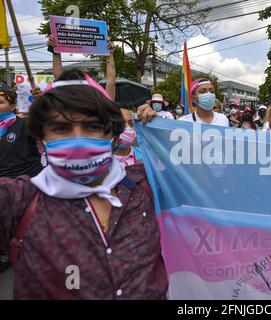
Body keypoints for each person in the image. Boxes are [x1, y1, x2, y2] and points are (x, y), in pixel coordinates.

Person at [0, 69, 167, 299]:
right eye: (61, 128)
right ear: (41, 138)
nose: (77, 139)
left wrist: (161, 133)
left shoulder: (145, 184)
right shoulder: (18, 199)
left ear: (112, 134)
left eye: (92, 127)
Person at [48, 36, 118, 100]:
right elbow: (111, 82)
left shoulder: (67, 105)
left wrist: (55, 51)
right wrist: (110, 54)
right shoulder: (101, 106)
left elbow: (59, 78)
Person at [0, 85, 43, 178]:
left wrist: (42, 101)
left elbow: (49, 120)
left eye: (0, 102)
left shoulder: (27, 124)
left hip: (25, 185)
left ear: (12, 106)